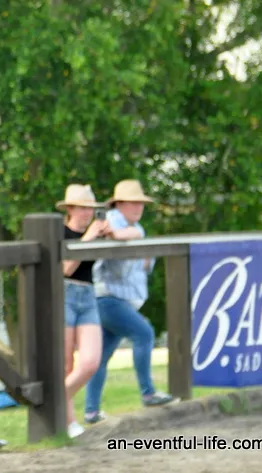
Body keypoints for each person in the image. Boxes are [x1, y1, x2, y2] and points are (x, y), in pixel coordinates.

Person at [83, 179, 176, 424]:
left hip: (113, 299)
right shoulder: (112, 220)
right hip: (109, 298)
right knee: (144, 333)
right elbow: (124, 233)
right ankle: (148, 393)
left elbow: (134, 238)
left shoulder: (132, 227)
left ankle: (91, 411)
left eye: (141, 204)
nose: (139, 208)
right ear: (120, 204)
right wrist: (114, 234)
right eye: (134, 203)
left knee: (101, 357)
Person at [55, 184, 109, 438]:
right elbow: (65, 268)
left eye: (92, 209)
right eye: (85, 208)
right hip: (64, 293)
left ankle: (55, 403)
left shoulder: (94, 232)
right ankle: (68, 422)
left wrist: (110, 233)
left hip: (87, 294)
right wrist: (87, 238)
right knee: (66, 365)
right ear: (71, 208)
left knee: (90, 362)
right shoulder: (60, 231)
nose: (89, 213)